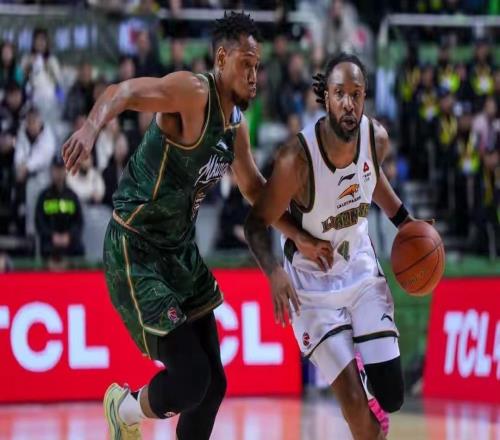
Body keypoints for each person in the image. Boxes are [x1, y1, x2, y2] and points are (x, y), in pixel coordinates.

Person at [62, 11, 330, 440]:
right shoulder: (193, 92)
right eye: (246, 64)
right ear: (221, 59)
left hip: (180, 252)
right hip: (136, 247)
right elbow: (124, 91)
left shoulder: (235, 127)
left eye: (258, 66)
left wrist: (300, 236)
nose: (254, 75)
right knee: (191, 380)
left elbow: (254, 191)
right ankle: (123, 408)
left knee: (213, 386)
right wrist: (91, 128)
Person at [244, 53, 428, 440]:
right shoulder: (297, 159)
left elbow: (371, 180)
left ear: (365, 98)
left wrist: (406, 222)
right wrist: (275, 271)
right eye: (339, 93)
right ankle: (355, 381)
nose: (348, 103)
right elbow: (256, 222)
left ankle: (367, 373)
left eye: (356, 94)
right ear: (325, 97)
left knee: (392, 396)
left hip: (359, 268)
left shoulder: (376, 139)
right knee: (358, 412)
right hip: (310, 286)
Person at [35, 156, 84, 260]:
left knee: (79, 249)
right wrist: (52, 236)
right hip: (50, 241)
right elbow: (39, 222)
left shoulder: (72, 196)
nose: (59, 173)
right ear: (51, 171)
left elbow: (78, 222)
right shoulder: (44, 197)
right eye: (56, 169)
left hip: (69, 242)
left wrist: (69, 236)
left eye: (61, 169)